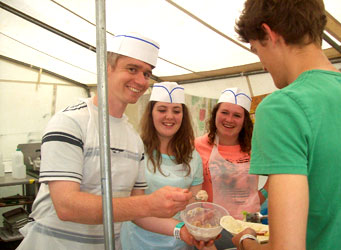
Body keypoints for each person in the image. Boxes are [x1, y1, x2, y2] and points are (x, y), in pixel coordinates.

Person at [16, 33, 196, 250]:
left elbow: (138, 213)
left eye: (147, 73)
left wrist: (183, 231)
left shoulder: (133, 139)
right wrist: (148, 203)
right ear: (106, 68)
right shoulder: (70, 122)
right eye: (132, 69)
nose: (141, 80)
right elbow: (66, 206)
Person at [231, 0, 341, 249]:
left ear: (269, 33)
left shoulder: (283, 108)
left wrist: (245, 241)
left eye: (256, 49)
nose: (262, 64)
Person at [121, 81, 204, 250]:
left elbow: (194, 205)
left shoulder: (193, 157)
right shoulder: (136, 150)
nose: (169, 116)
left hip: (180, 243)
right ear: (151, 113)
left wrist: (201, 220)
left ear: (183, 116)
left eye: (176, 111)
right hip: (138, 241)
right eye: (162, 110)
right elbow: (133, 210)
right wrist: (179, 229)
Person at [195, 87, 268, 249]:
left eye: (237, 115)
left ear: (244, 121)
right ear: (215, 114)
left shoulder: (255, 147)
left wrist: (260, 197)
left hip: (250, 223)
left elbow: (277, 175)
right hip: (211, 225)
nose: (229, 119)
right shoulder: (197, 146)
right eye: (224, 112)